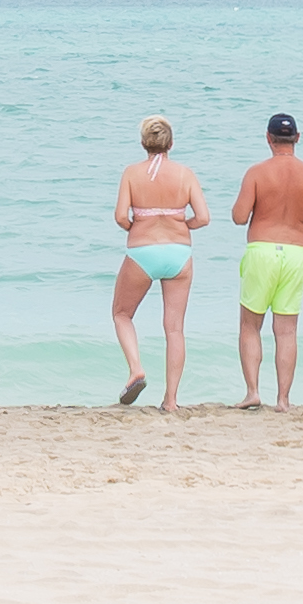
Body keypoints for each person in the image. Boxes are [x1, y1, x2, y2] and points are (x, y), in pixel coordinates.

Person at [227, 115, 303, 408]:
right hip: (296, 252)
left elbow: (238, 217)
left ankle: (253, 391)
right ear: (298, 138)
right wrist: (302, 213)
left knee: (250, 326)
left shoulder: (257, 173)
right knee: (286, 330)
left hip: (262, 250)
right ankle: (283, 399)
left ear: (268, 138)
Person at [108, 118, 206, 408]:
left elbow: (120, 216)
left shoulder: (131, 173)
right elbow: (203, 218)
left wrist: (135, 227)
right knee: (174, 328)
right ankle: (171, 400)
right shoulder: (185, 174)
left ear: (143, 144)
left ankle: (136, 368)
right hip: (179, 253)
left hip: (143, 251)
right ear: (171, 144)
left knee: (122, 314)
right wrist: (180, 224)